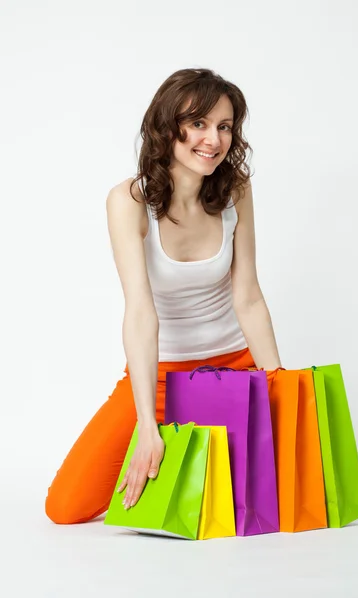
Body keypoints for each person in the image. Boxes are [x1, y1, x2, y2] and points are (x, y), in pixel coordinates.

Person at [45, 67, 282, 525]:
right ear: (166, 126)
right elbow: (140, 313)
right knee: (66, 508)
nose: (213, 139)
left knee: (244, 505)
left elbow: (248, 296)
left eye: (225, 126)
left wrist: (277, 384)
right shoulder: (129, 201)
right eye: (198, 124)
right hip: (160, 376)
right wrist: (147, 429)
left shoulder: (236, 189)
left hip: (235, 367)